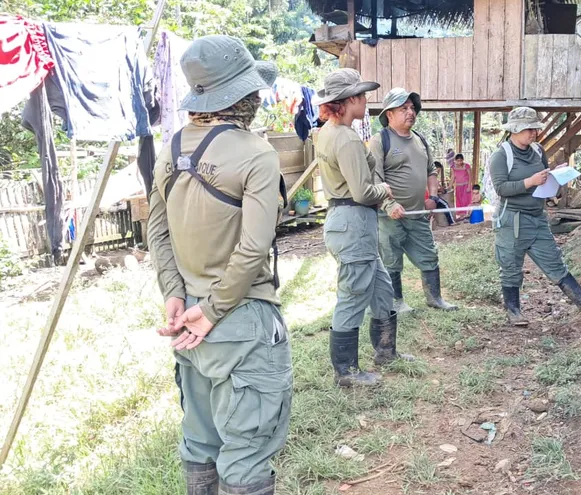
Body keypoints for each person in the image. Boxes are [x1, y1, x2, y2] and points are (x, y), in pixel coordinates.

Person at [148, 35, 291, 495]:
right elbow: (253, 249)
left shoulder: (170, 148)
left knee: (201, 440)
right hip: (239, 319)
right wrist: (213, 310)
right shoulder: (256, 153)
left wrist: (175, 293)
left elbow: (157, 231)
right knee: (247, 449)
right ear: (243, 95)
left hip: (187, 321)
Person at [313, 69, 415, 387]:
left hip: (355, 223)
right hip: (352, 220)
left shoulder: (334, 132)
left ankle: (386, 351)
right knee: (354, 294)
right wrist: (384, 191)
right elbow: (362, 192)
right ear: (348, 101)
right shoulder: (343, 137)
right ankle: (346, 371)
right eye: (361, 95)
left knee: (382, 289)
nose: (366, 100)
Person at [490, 107, 581, 326]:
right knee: (510, 265)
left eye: (535, 128)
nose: (533, 133)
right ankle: (514, 311)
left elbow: (543, 176)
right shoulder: (501, 155)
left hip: (536, 217)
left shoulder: (537, 151)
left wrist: (554, 174)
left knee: (553, 259)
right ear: (514, 130)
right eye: (528, 129)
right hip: (511, 221)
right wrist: (530, 182)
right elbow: (501, 188)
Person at [371, 87, 457, 313]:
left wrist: (434, 197)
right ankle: (396, 301)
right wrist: (390, 204)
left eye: (412, 108)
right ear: (389, 113)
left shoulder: (420, 140)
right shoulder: (380, 141)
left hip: (417, 214)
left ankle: (435, 298)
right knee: (391, 259)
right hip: (389, 215)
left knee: (429, 254)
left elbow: (431, 171)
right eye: (403, 108)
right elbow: (375, 178)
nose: (411, 112)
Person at [450, 153, 472, 219]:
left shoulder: (467, 166)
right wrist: (450, 186)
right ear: (455, 160)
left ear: (463, 160)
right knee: (459, 200)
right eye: (458, 161)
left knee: (465, 200)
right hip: (458, 186)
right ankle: (461, 215)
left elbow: (470, 176)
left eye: (461, 160)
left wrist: (469, 186)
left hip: (465, 185)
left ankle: (467, 214)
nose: (459, 162)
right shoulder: (453, 167)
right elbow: (453, 177)